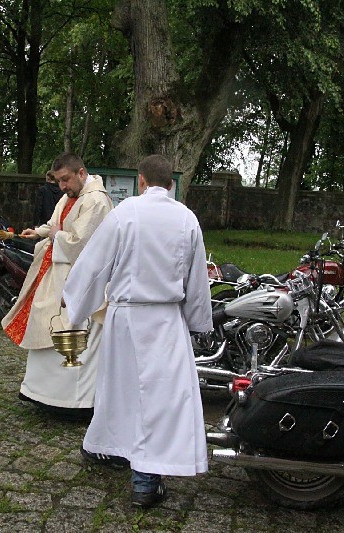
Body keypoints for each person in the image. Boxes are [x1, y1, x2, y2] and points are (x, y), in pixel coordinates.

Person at [62, 154, 213, 508]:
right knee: (158, 399)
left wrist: (75, 305)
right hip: (165, 321)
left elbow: (95, 265)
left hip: (126, 319)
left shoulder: (125, 213)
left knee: (121, 389)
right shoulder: (186, 219)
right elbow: (197, 282)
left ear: (141, 181)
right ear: (171, 184)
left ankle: (136, 472)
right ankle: (118, 457)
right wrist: (198, 324)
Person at [1, 153, 114, 416]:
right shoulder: (70, 196)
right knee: (48, 326)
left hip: (82, 281)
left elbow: (82, 244)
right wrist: (40, 232)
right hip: (58, 275)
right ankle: (41, 392)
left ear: (81, 173)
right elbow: (56, 224)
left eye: (65, 179)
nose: (61, 186)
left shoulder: (96, 201)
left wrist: (55, 235)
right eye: (59, 180)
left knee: (76, 333)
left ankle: (76, 402)